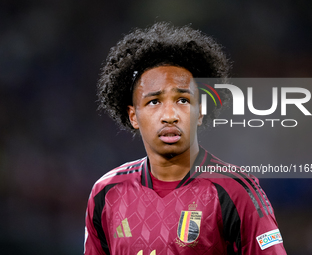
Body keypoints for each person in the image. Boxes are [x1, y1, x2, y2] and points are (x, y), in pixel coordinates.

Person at [84, 22, 286, 255]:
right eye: (154, 102)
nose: (170, 116)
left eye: (183, 100)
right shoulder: (106, 193)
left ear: (200, 112)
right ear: (133, 116)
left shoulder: (235, 190)